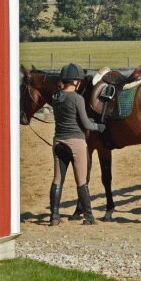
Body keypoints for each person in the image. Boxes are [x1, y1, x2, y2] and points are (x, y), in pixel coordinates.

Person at [49, 63, 105, 225]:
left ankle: (54, 216)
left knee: (57, 180)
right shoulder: (77, 98)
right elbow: (86, 124)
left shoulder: (55, 97)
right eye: (79, 80)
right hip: (75, 143)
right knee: (81, 181)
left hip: (58, 142)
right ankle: (88, 217)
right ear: (74, 81)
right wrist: (99, 127)